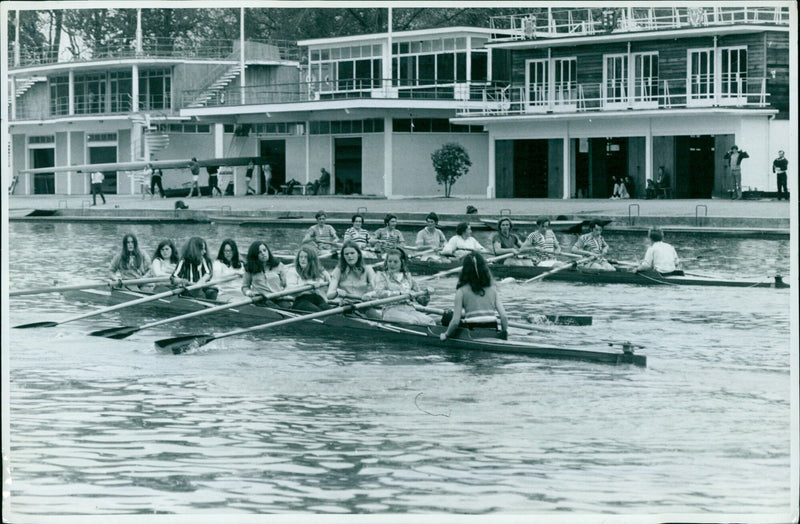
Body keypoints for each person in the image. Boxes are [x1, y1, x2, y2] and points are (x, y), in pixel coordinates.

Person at [439, 252, 509, 342]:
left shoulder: (461, 291)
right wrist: (503, 333)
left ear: (465, 269)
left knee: (447, 316)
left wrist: (446, 334)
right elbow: (504, 317)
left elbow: (455, 321)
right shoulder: (493, 288)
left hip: (471, 331)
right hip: (492, 328)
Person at [363, 248, 434, 325]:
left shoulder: (408, 277)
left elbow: (423, 302)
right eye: (389, 261)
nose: (391, 264)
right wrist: (400, 293)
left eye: (395, 262)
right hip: (390, 310)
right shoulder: (382, 276)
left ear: (402, 263)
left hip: (409, 309)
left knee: (430, 321)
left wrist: (426, 295)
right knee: (412, 322)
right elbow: (379, 293)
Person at [326, 241, 378, 306]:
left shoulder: (368, 269)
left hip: (362, 304)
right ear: (343, 256)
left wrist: (369, 294)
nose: (350, 256)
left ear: (358, 254)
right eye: (346, 254)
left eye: (352, 253)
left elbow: (378, 290)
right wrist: (337, 292)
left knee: (376, 316)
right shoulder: (338, 270)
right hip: (345, 304)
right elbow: (329, 295)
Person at [241, 240, 290, 308]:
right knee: (274, 308)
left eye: (264, 250)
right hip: (261, 299)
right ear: (255, 255)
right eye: (259, 252)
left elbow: (285, 285)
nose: (263, 253)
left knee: (288, 307)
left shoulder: (278, 265)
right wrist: (248, 292)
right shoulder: (250, 269)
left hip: (278, 298)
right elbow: (245, 287)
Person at [284, 245, 331, 312]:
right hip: (301, 301)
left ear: (312, 259)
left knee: (331, 312)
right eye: (301, 257)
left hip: (317, 299)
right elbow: (289, 290)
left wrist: (327, 275)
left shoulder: (319, 272)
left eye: (306, 257)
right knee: (318, 312)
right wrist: (306, 285)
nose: (303, 259)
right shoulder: (293, 271)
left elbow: (331, 286)